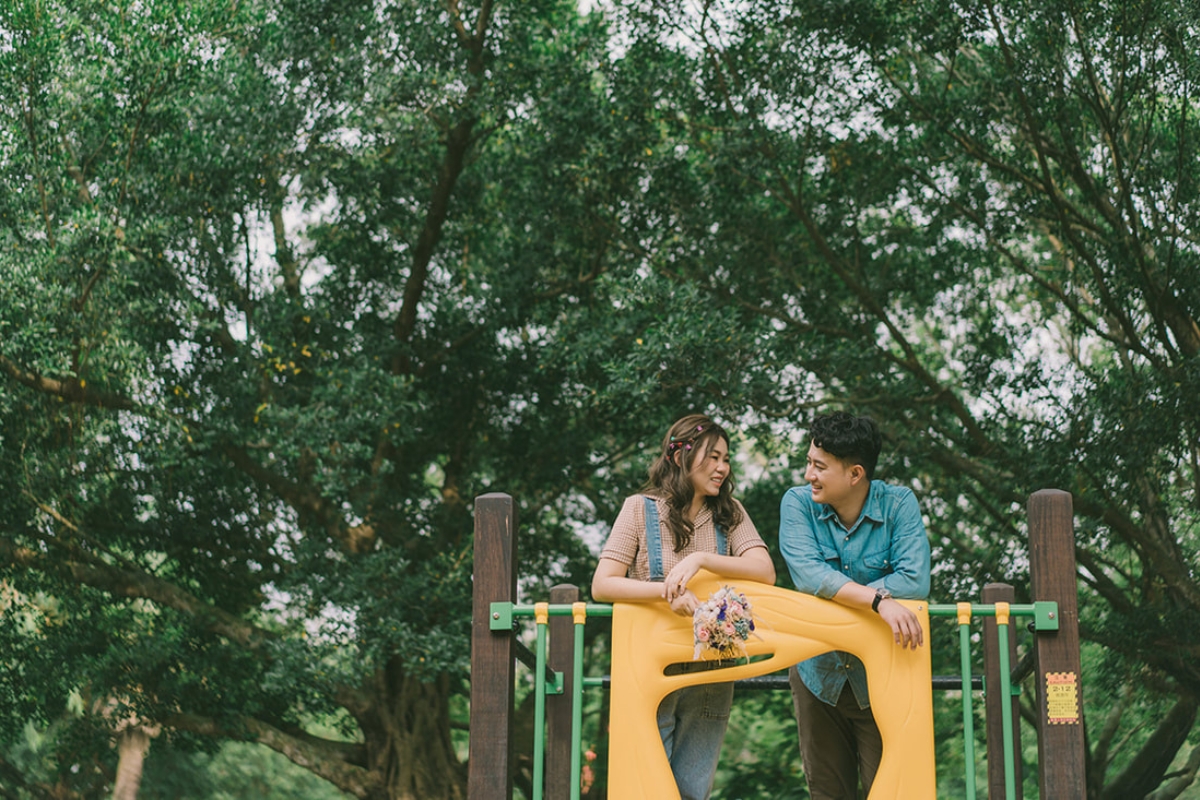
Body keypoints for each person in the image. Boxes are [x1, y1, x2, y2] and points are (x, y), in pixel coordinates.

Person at [592, 414, 776, 800]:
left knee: (693, 792)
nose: (722, 468)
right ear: (680, 457)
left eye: (726, 459)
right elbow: (603, 584)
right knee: (645, 788)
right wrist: (666, 592)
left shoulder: (731, 512)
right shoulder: (638, 509)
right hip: (649, 665)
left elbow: (764, 572)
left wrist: (702, 562)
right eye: (713, 457)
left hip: (712, 669)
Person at [779, 411, 931, 800]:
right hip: (818, 674)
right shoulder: (797, 503)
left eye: (819, 466)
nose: (808, 473)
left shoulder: (899, 505)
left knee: (892, 790)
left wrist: (837, 596)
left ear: (855, 474)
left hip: (885, 673)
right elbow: (809, 577)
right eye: (809, 462)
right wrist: (878, 600)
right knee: (828, 795)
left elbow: (914, 581)